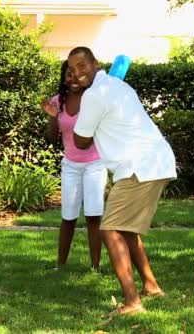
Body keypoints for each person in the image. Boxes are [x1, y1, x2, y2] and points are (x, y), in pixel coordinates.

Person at [69, 47, 176, 315]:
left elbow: (81, 142)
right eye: (71, 70)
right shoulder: (117, 84)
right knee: (126, 231)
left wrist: (82, 104)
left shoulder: (94, 95)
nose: (77, 73)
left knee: (109, 229)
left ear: (95, 64)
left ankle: (132, 302)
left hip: (138, 166)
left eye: (82, 66)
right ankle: (151, 286)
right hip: (154, 160)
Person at [41, 60, 106, 270]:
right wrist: (52, 118)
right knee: (68, 217)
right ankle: (60, 265)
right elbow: (52, 138)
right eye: (68, 74)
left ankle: (95, 267)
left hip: (95, 164)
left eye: (77, 73)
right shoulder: (57, 101)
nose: (73, 78)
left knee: (93, 216)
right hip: (70, 165)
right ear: (64, 78)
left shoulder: (95, 99)